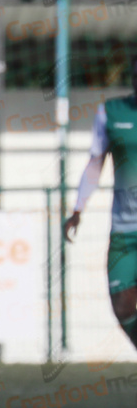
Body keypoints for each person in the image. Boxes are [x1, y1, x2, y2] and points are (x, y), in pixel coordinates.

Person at [65, 57, 137, 348]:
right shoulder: (112, 112)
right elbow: (95, 163)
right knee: (122, 306)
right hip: (123, 230)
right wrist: (78, 209)